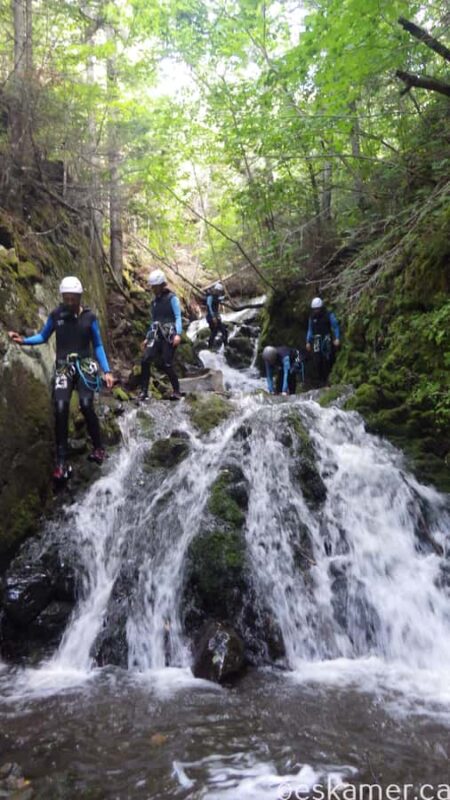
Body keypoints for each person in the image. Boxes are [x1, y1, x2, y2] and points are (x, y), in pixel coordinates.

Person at [8, 276, 114, 482]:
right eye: (66, 298)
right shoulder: (57, 314)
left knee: (85, 404)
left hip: (85, 365)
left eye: (73, 298)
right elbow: (43, 336)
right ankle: (61, 462)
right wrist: (23, 340)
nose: (70, 302)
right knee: (60, 407)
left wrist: (107, 371)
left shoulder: (89, 318)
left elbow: (98, 345)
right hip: (64, 367)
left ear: (80, 296)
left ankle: (99, 447)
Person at [139, 269, 182, 401]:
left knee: (166, 363)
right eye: (152, 286)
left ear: (161, 285)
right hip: (156, 335)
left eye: (154, 286)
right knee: (145, 360)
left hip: (169, 335)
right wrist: (147, 337)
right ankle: (144, 391)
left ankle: (176, 391)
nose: (152, 288)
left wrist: (178, 334)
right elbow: (154, 321)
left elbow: (178, 317)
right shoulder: (154, 302)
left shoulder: (172, 298)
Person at [306, 297, 340, 386]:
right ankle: (320, 380)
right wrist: (308, 341)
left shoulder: (328, 315)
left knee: (327, 358)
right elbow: (310, 330)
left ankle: (328, 379)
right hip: (316, 339)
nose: (316, 311)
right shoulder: (311, 317)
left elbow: (335, 326)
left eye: (318, 309)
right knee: (317, 360)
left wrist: (337, 338)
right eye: (314, 309)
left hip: (326, 338)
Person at [206, 282, 228, 349]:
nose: (219, 292)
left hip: (215, 316)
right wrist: (213, 317)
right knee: (216, 331)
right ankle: (210, 347)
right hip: (211, 317)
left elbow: (220, 299)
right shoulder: (210, 296)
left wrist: (225, 296)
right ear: (216, 290)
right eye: (218, 291)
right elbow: (209, 306)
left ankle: (224, 347)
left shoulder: (216, 296)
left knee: (220, 331)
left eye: (219, 291)